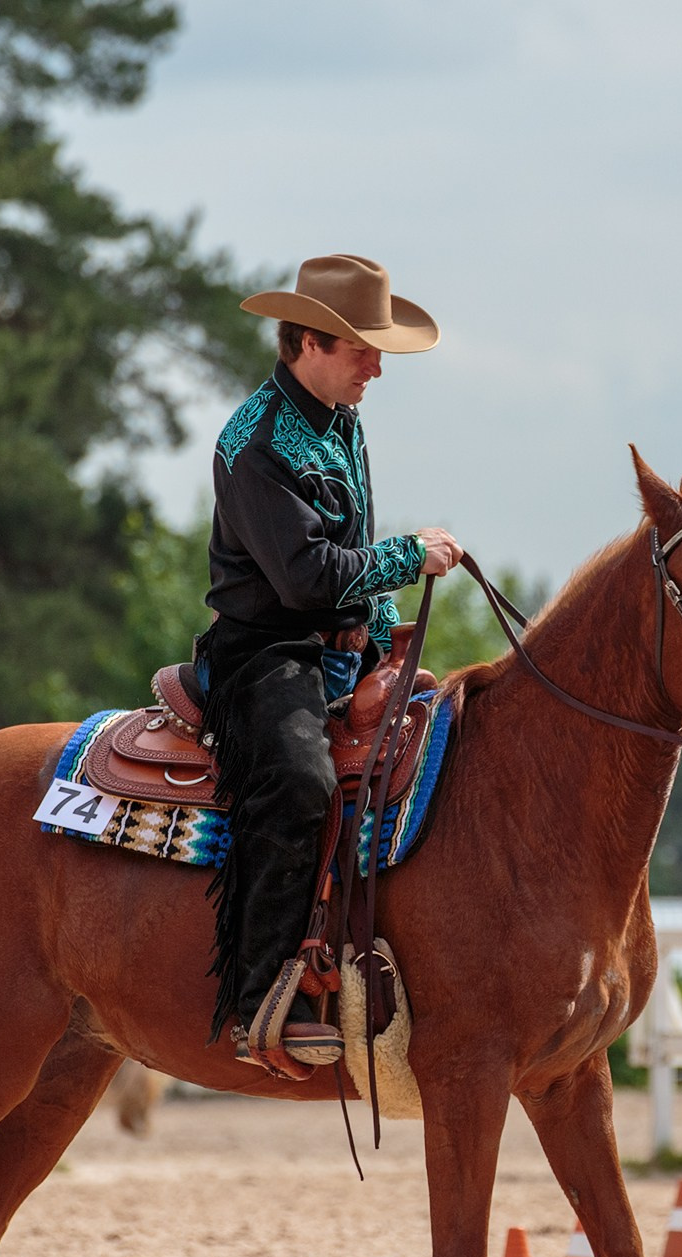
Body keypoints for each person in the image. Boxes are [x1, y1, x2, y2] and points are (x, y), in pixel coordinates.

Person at [196, 255, 461, 1074]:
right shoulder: (255, 443)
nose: (377, 368)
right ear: (308, 341)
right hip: (265, 652)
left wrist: (380, 632)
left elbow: (344, 563)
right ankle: (260, 1000)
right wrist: (406, 557)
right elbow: (308, 577)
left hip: (342, 650)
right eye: (363, 351)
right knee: (301, 783)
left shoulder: (339, 418)